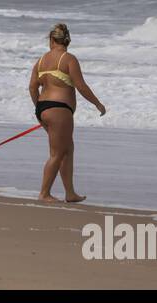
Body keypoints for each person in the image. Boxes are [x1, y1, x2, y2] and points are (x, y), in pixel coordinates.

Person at [28, 22, 105, 203]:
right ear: (67, 40)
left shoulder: (40, 61)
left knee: (67, 149)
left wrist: (39, 108)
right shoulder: (68, 58)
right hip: (59, 110)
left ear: (52, 39)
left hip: (43, 108)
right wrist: (97, 104)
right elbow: (81, 86)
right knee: (57, 153)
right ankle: (44, 193)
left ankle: (70, 193)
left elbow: (32, 87)